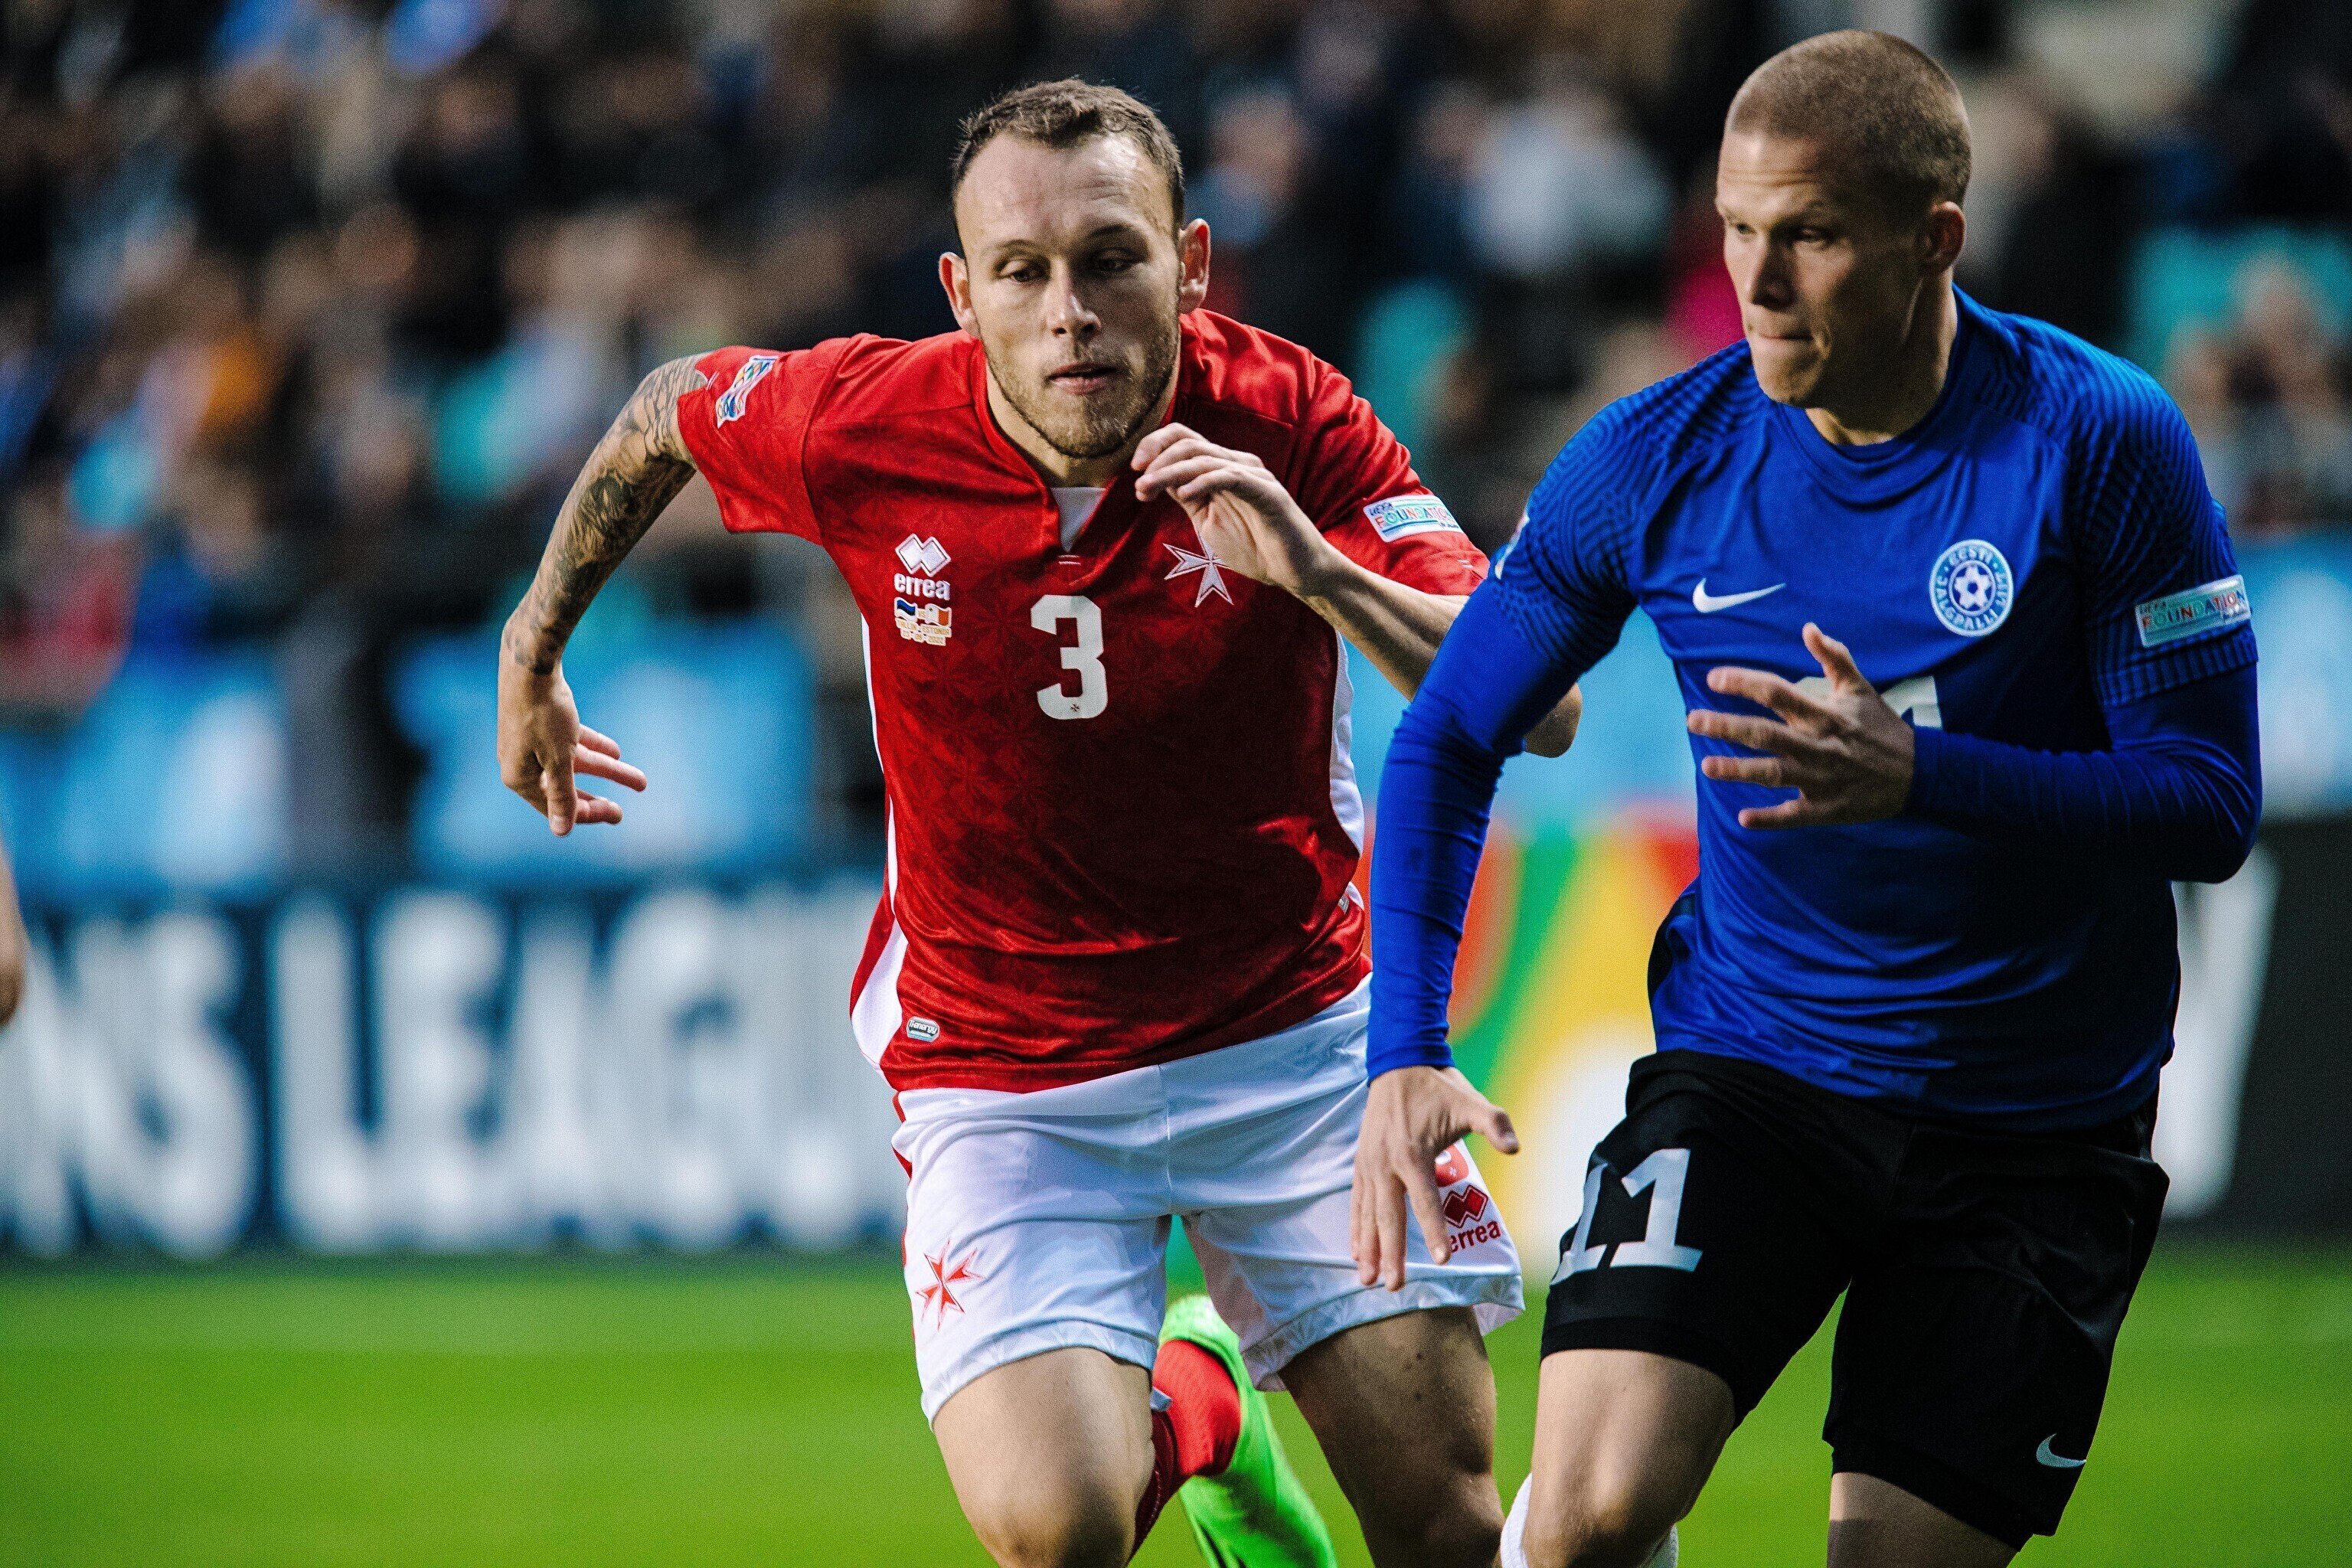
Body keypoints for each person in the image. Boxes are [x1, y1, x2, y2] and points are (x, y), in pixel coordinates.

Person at [495, 80, 1579, 1568]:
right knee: (1059, 1533)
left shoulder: (1291, 415)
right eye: (1023, 272)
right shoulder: (865, 421)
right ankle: (1203, 1414)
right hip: (1009, 1073)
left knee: (1448, 1529)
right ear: (963, 294)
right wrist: (533, 645)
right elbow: (668, 405)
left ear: (1189, 265)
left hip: (1294, 1042)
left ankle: (1208, 1411)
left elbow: (1539, 702)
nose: (1070, 312)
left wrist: (1320, 574)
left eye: (1112, 260)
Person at [1354, 31, 2260, 1568]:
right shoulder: (1656, 456)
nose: (1758, 282)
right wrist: (1405, 1053)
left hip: (2036, 1122)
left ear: (1935, 239)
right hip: (1759, 1070)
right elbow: (1447, 739)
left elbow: (2210, 801)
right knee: (1586, 1513)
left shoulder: (2099, 440)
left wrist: (1920, 775)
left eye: (1814, 236)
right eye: (1736, 228)